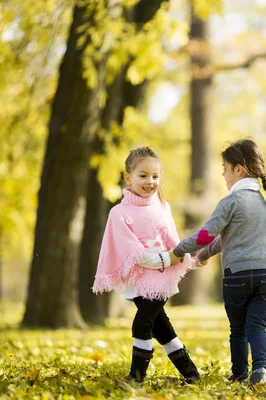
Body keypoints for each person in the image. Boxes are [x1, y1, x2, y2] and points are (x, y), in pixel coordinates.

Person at [169, 138, 266, 385]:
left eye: (225, 170)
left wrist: (178, 250)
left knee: (238, 329)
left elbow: (207, 235)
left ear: (238, 169)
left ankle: (240, 375)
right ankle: (261, 369)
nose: (223, 176)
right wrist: (205, 254)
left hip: (238, 276)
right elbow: (226, 240)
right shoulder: (263, 203)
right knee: (257, 325)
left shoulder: (231, 201)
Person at [92, 146, 201, 385]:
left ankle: (136, 378)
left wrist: (188, 260)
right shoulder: (118, 213)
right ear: (128, 177)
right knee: (162, 329)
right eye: (143, 176)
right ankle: (191, 374)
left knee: (142, 324)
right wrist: (165, 259)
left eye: (155, 176)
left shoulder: (163, 207)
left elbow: (173, 242)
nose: (150, 181)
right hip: (138, 281)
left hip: (161, 279)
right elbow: (132, 252)